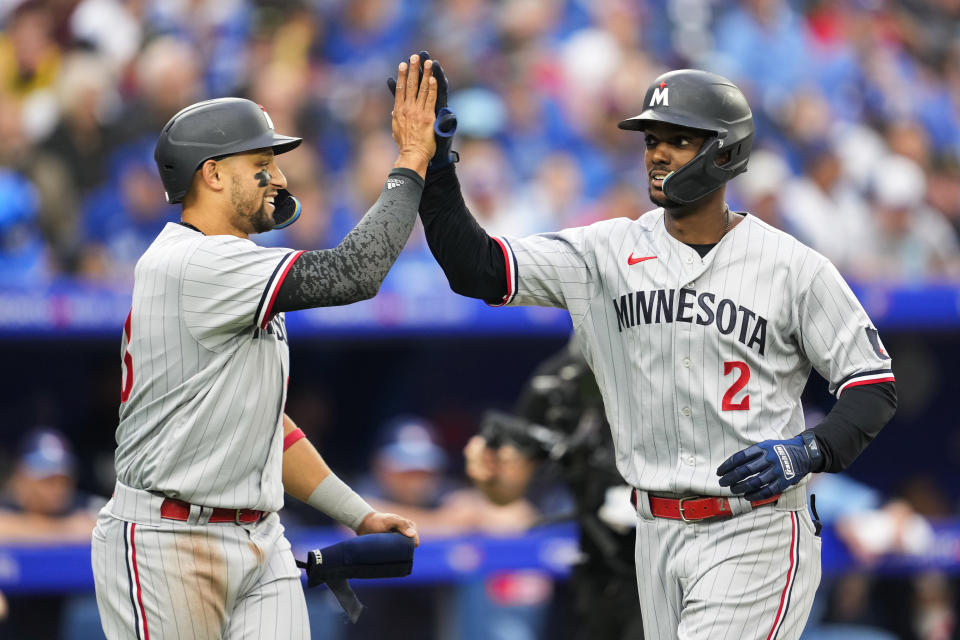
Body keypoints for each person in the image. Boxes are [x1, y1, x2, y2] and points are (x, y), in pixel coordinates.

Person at [412, 64, 898, 639]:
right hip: (655, 532)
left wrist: (808, 450)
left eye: (679, 139)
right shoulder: (605, 250)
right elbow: (478, 269)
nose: (658, 154)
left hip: (755, 528)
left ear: (724, 152)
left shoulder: (793, 267)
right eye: (652, 140)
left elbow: (872, 385)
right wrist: (436, 167)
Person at [91, 53, 438, 640]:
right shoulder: (194, 260)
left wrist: (359, 514)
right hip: (166, 538)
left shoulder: (236, 264)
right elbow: (355, 273)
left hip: (260, 537)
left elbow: (264, 428)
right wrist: (410, 161)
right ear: (212, 174)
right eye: (261, 162)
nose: (278, 178)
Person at [464, 338, 644, 640]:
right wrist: (488, 471)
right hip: (604, 568)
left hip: (685, 559)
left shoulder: (685, 360)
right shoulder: (561, 375)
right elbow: (507, 491)